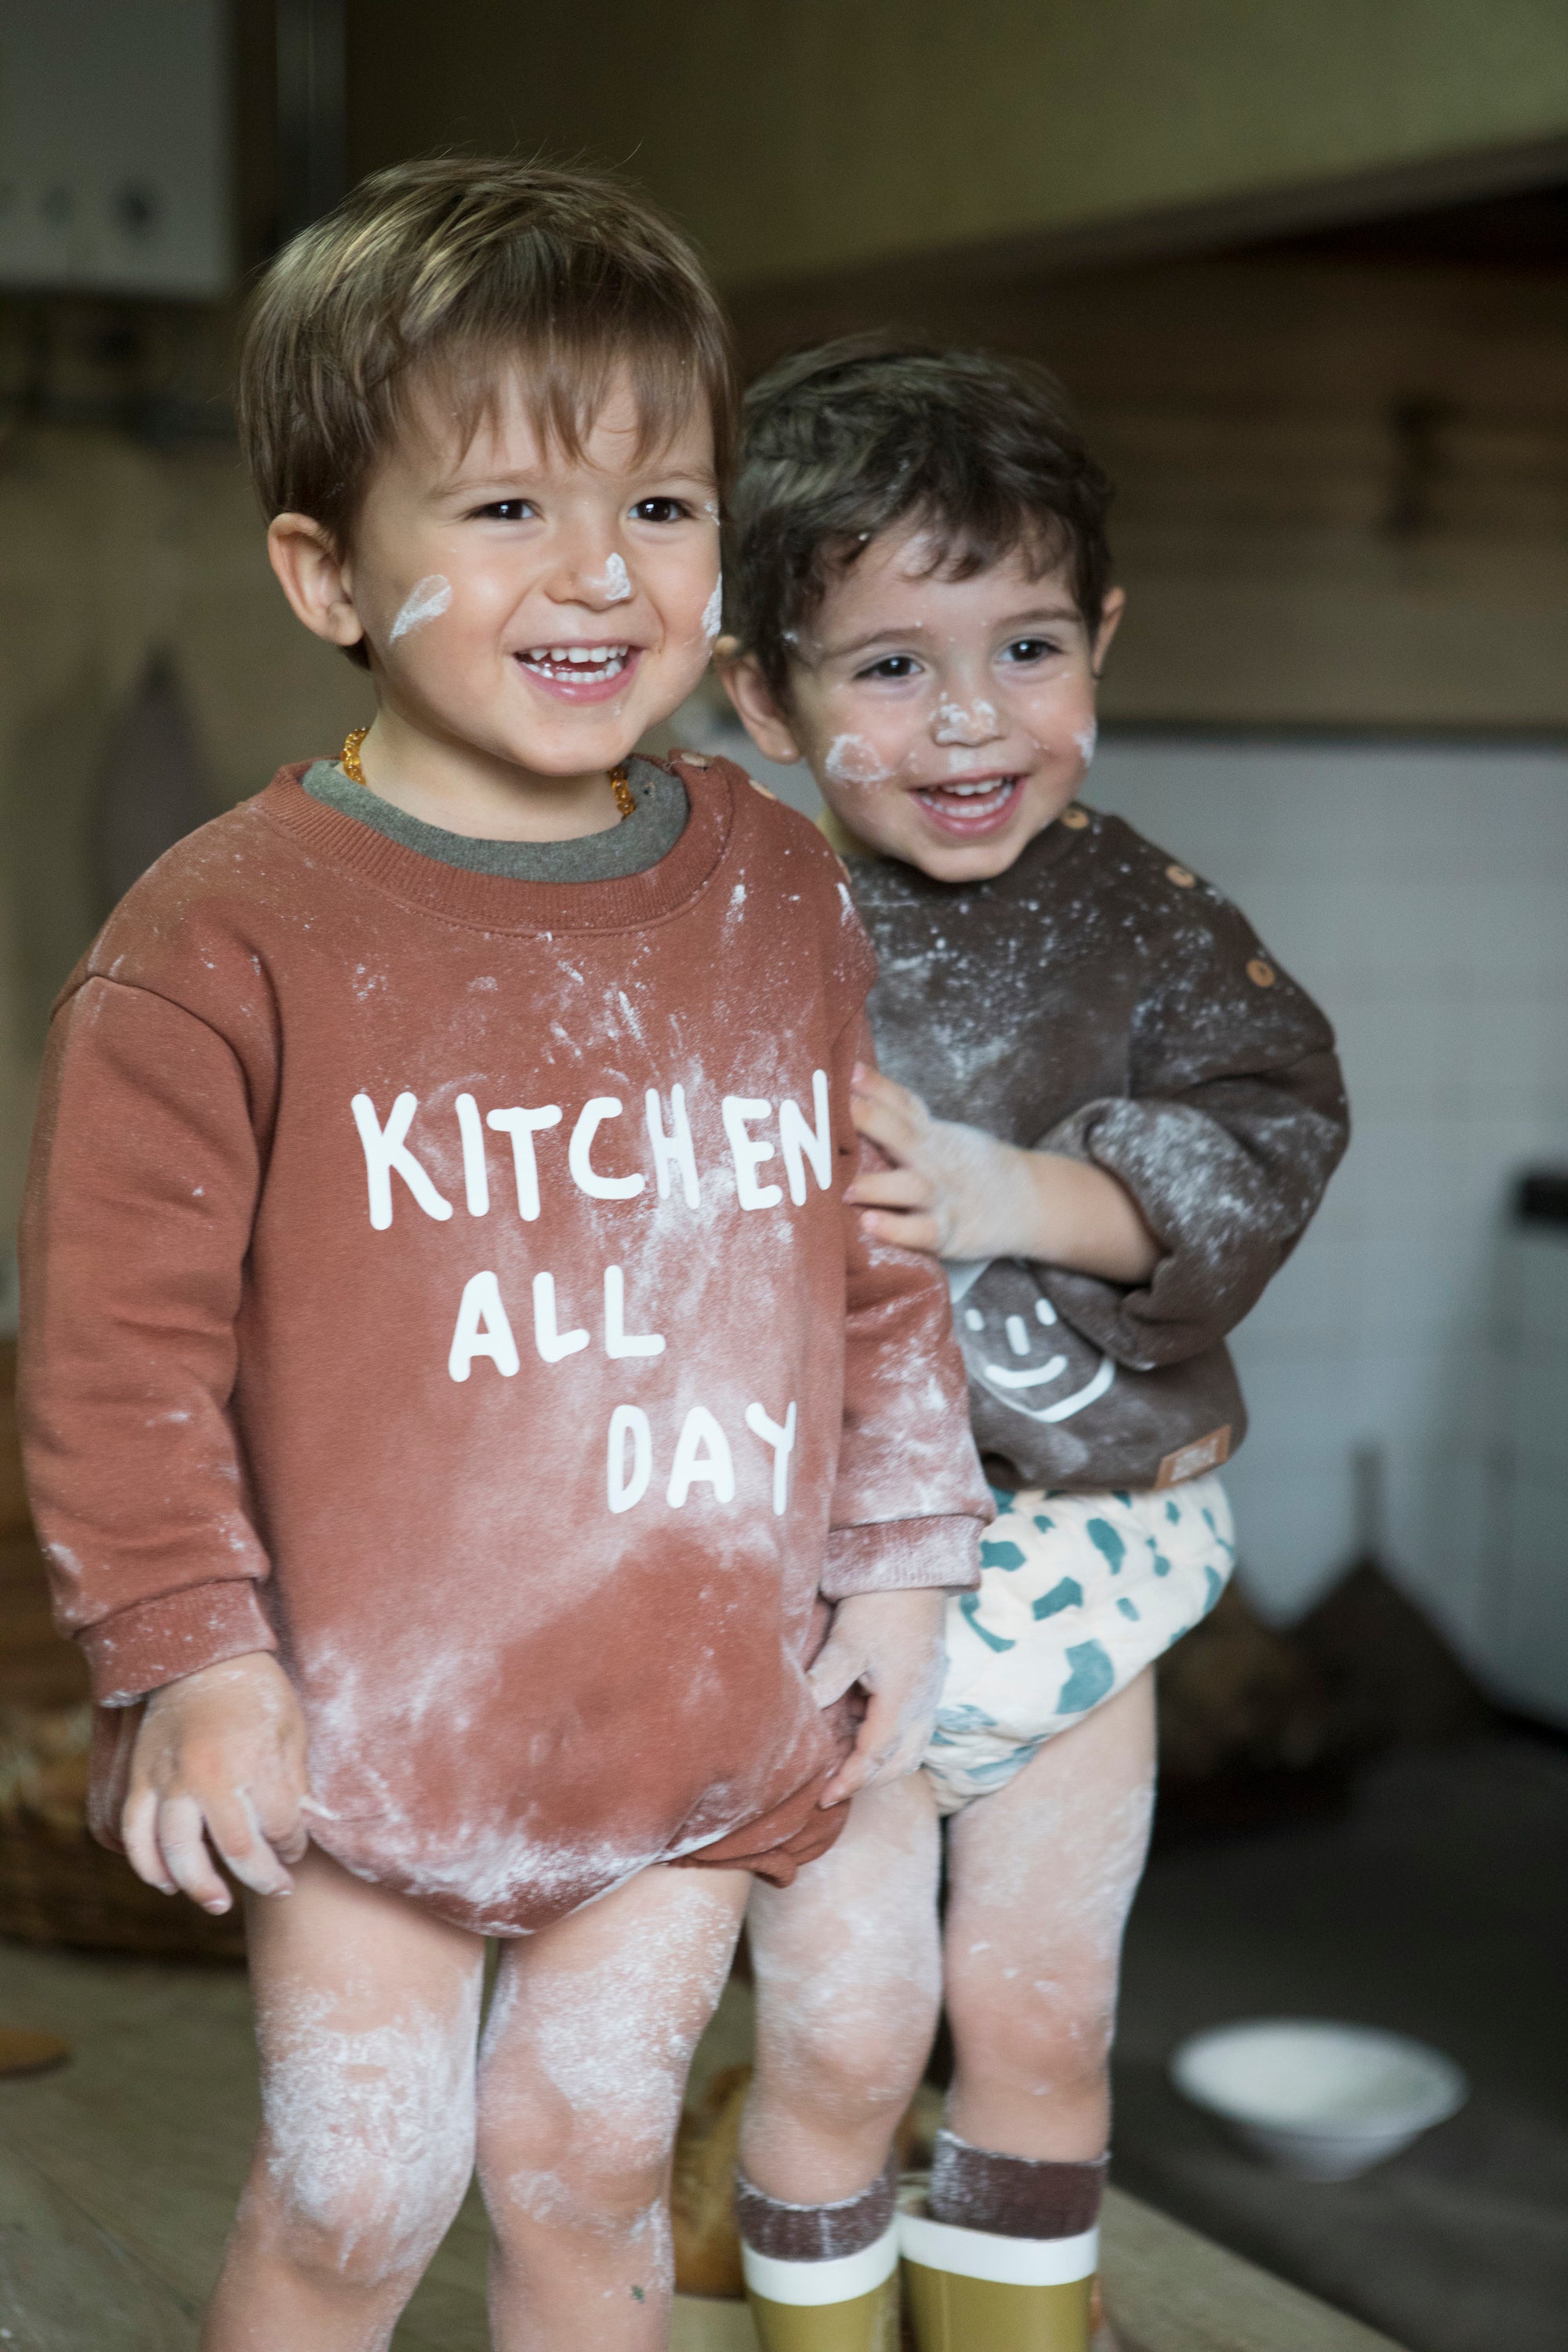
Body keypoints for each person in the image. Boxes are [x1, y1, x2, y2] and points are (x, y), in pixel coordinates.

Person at [17, 185, 988, 2352]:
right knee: (361, 2192)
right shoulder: (221, 935)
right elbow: (114, 1355)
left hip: (692, 1699)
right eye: (506, 507)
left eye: (659, 502)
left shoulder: (776, 887)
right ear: (325, 575)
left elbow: (874, 1241)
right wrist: (190, 1655)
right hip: (368, 1724)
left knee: (586, 2165)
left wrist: (908, 1551)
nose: (599, 571)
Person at [720, 340, 1350, 2351]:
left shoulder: (1146, 920)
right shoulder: (725, 922)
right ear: (762, 697)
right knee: (845, 2032)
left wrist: (1011, 1196)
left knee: (1044, 2010)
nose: (972, 717)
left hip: (1081, 1556)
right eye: (889, 665)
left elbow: (1271, 1136)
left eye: (1027, 646)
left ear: (1103, 639)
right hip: (825, 1587)